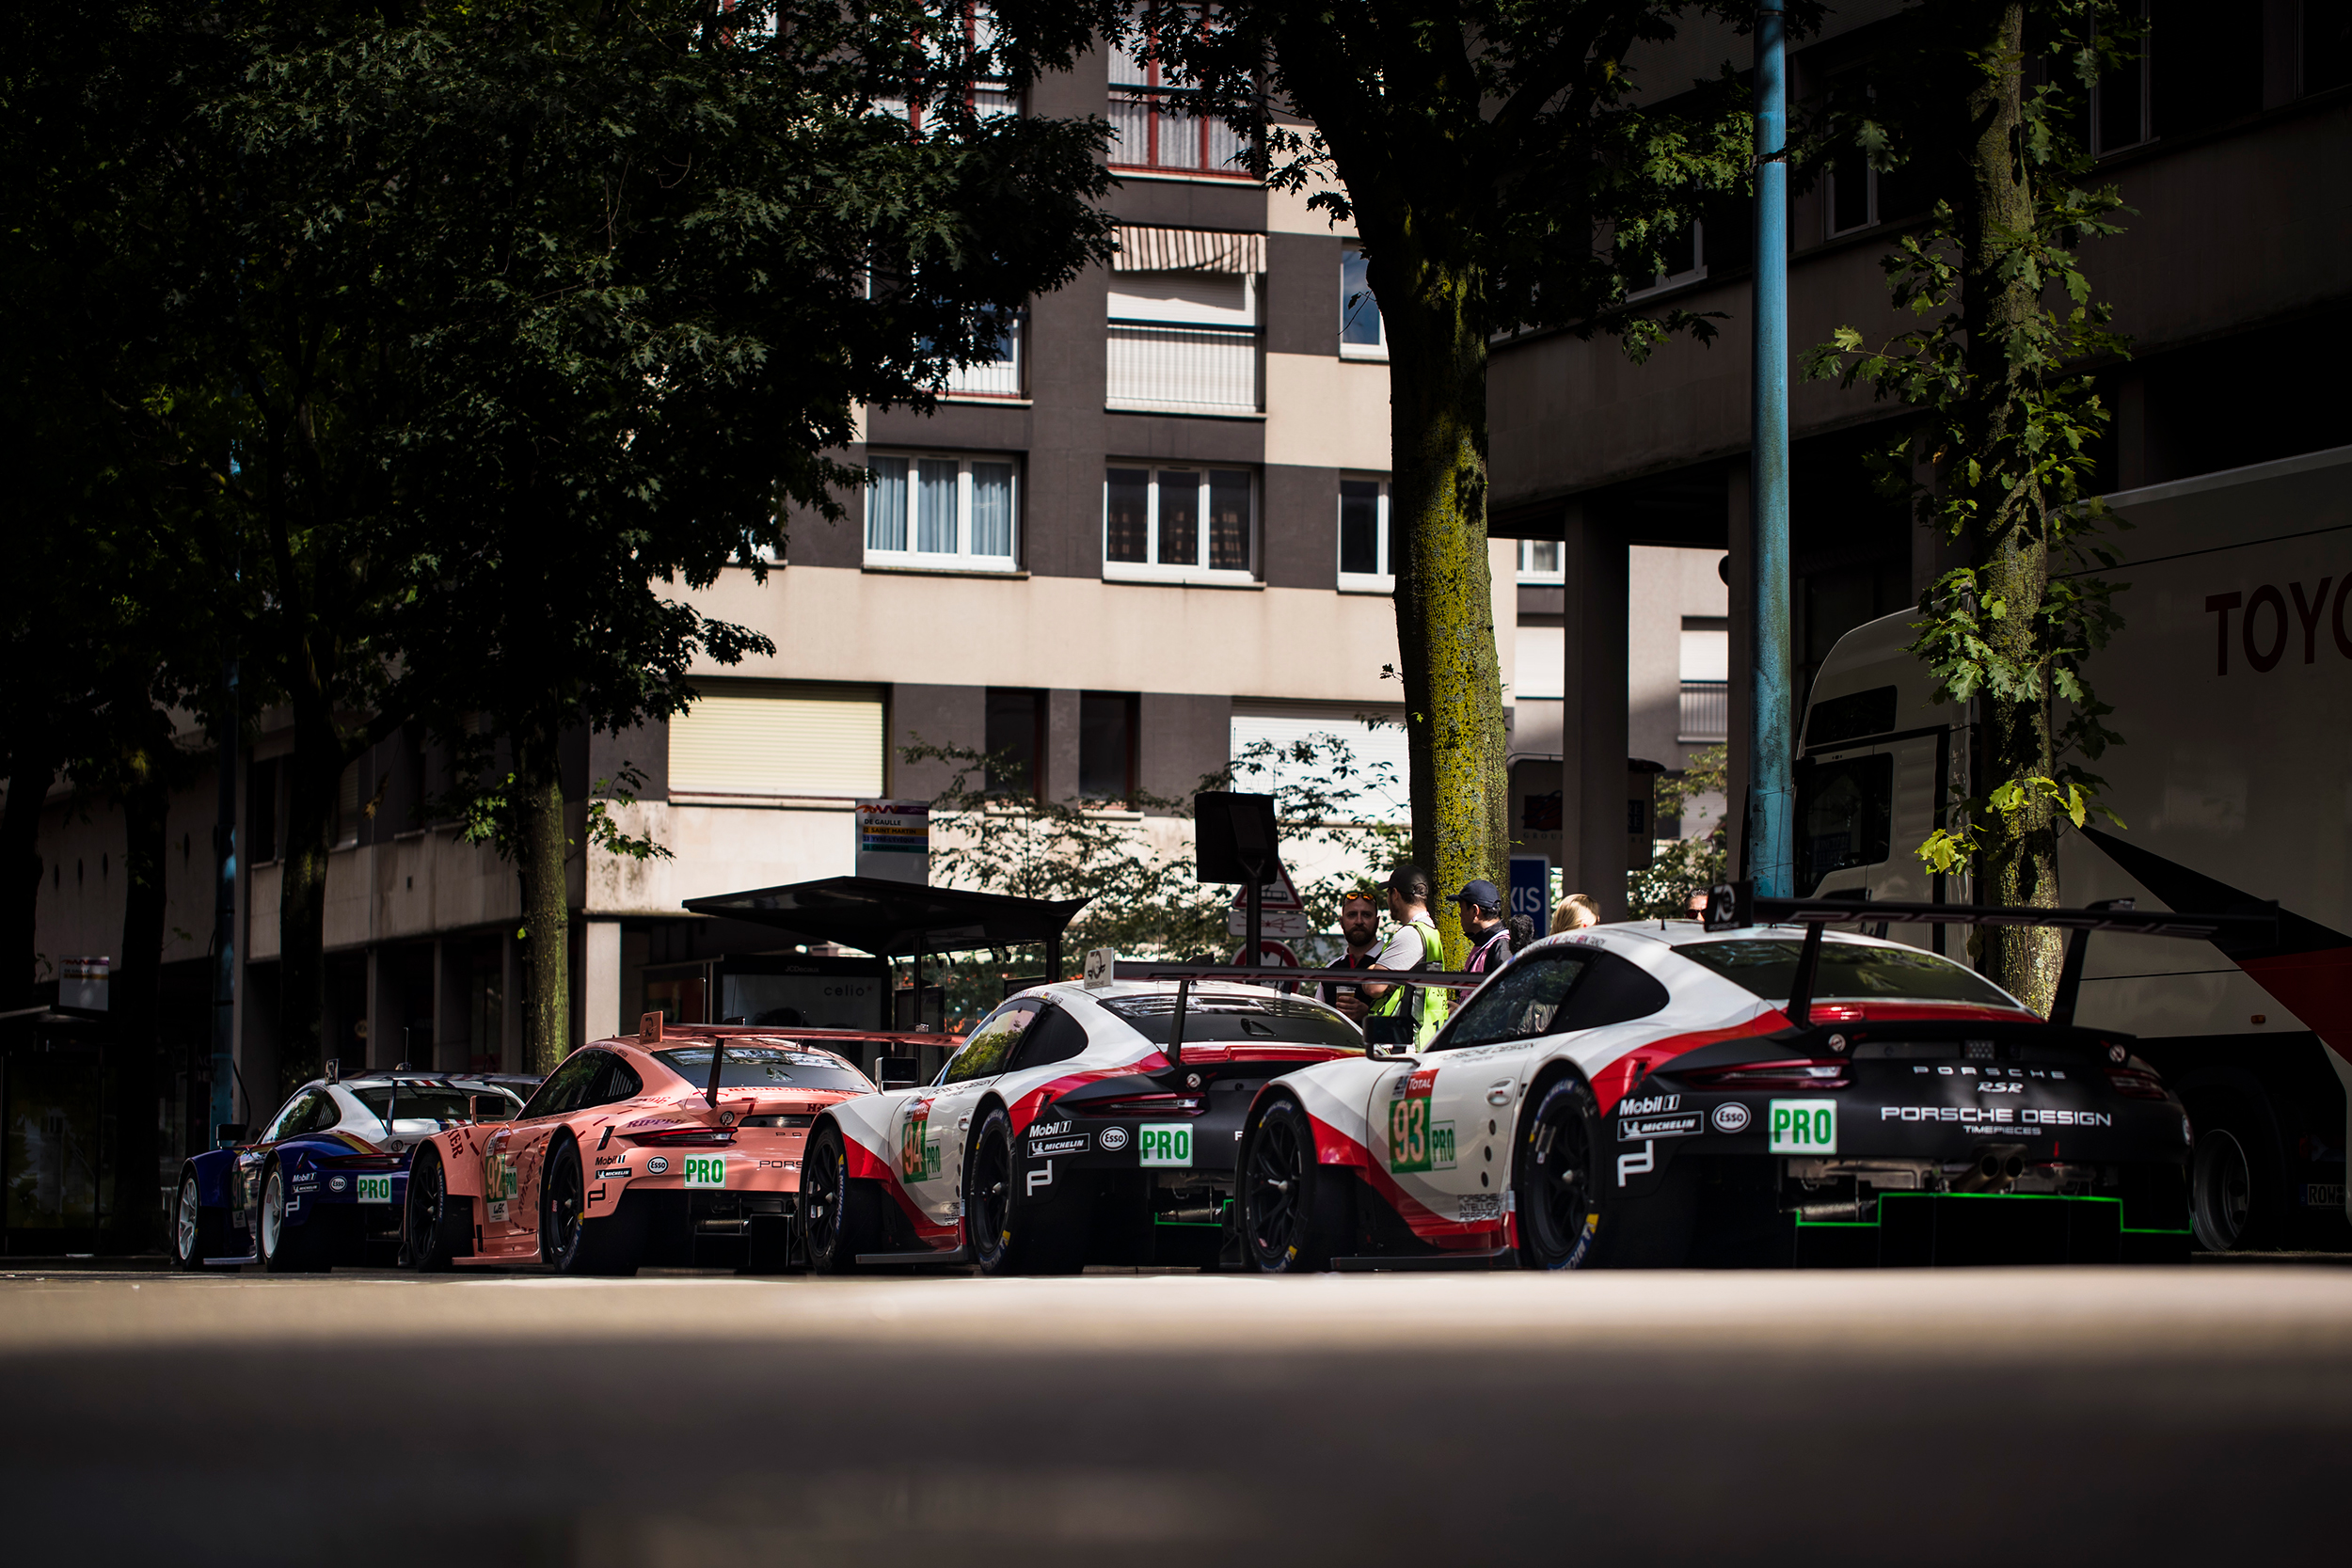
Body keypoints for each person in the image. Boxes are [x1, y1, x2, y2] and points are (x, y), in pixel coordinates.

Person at [1359, 863, 1449, 1048]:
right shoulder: (1430, 931)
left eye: (1388, 894)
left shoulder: (1409, 934)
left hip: (1401, 1043)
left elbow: (1374, 987)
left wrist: (1370, 969)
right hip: (1420, 1036)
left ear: (1395, 894)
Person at [1320, 889, 1384, 1022]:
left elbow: (1409, 1020)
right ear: (1341, 922)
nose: (1359, 921)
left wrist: (1368, 1014)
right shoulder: (1330, 971)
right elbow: (1319, 1022)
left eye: (1366, 915)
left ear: (1377, 922)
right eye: (1352, 915)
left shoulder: (1392, 961)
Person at [1451, 879, 1514, 974]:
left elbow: (1506, 987)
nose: (1460, 914)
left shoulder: (1502, 948)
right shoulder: (1486, 943)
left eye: (1461, 908)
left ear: (1475, 911)